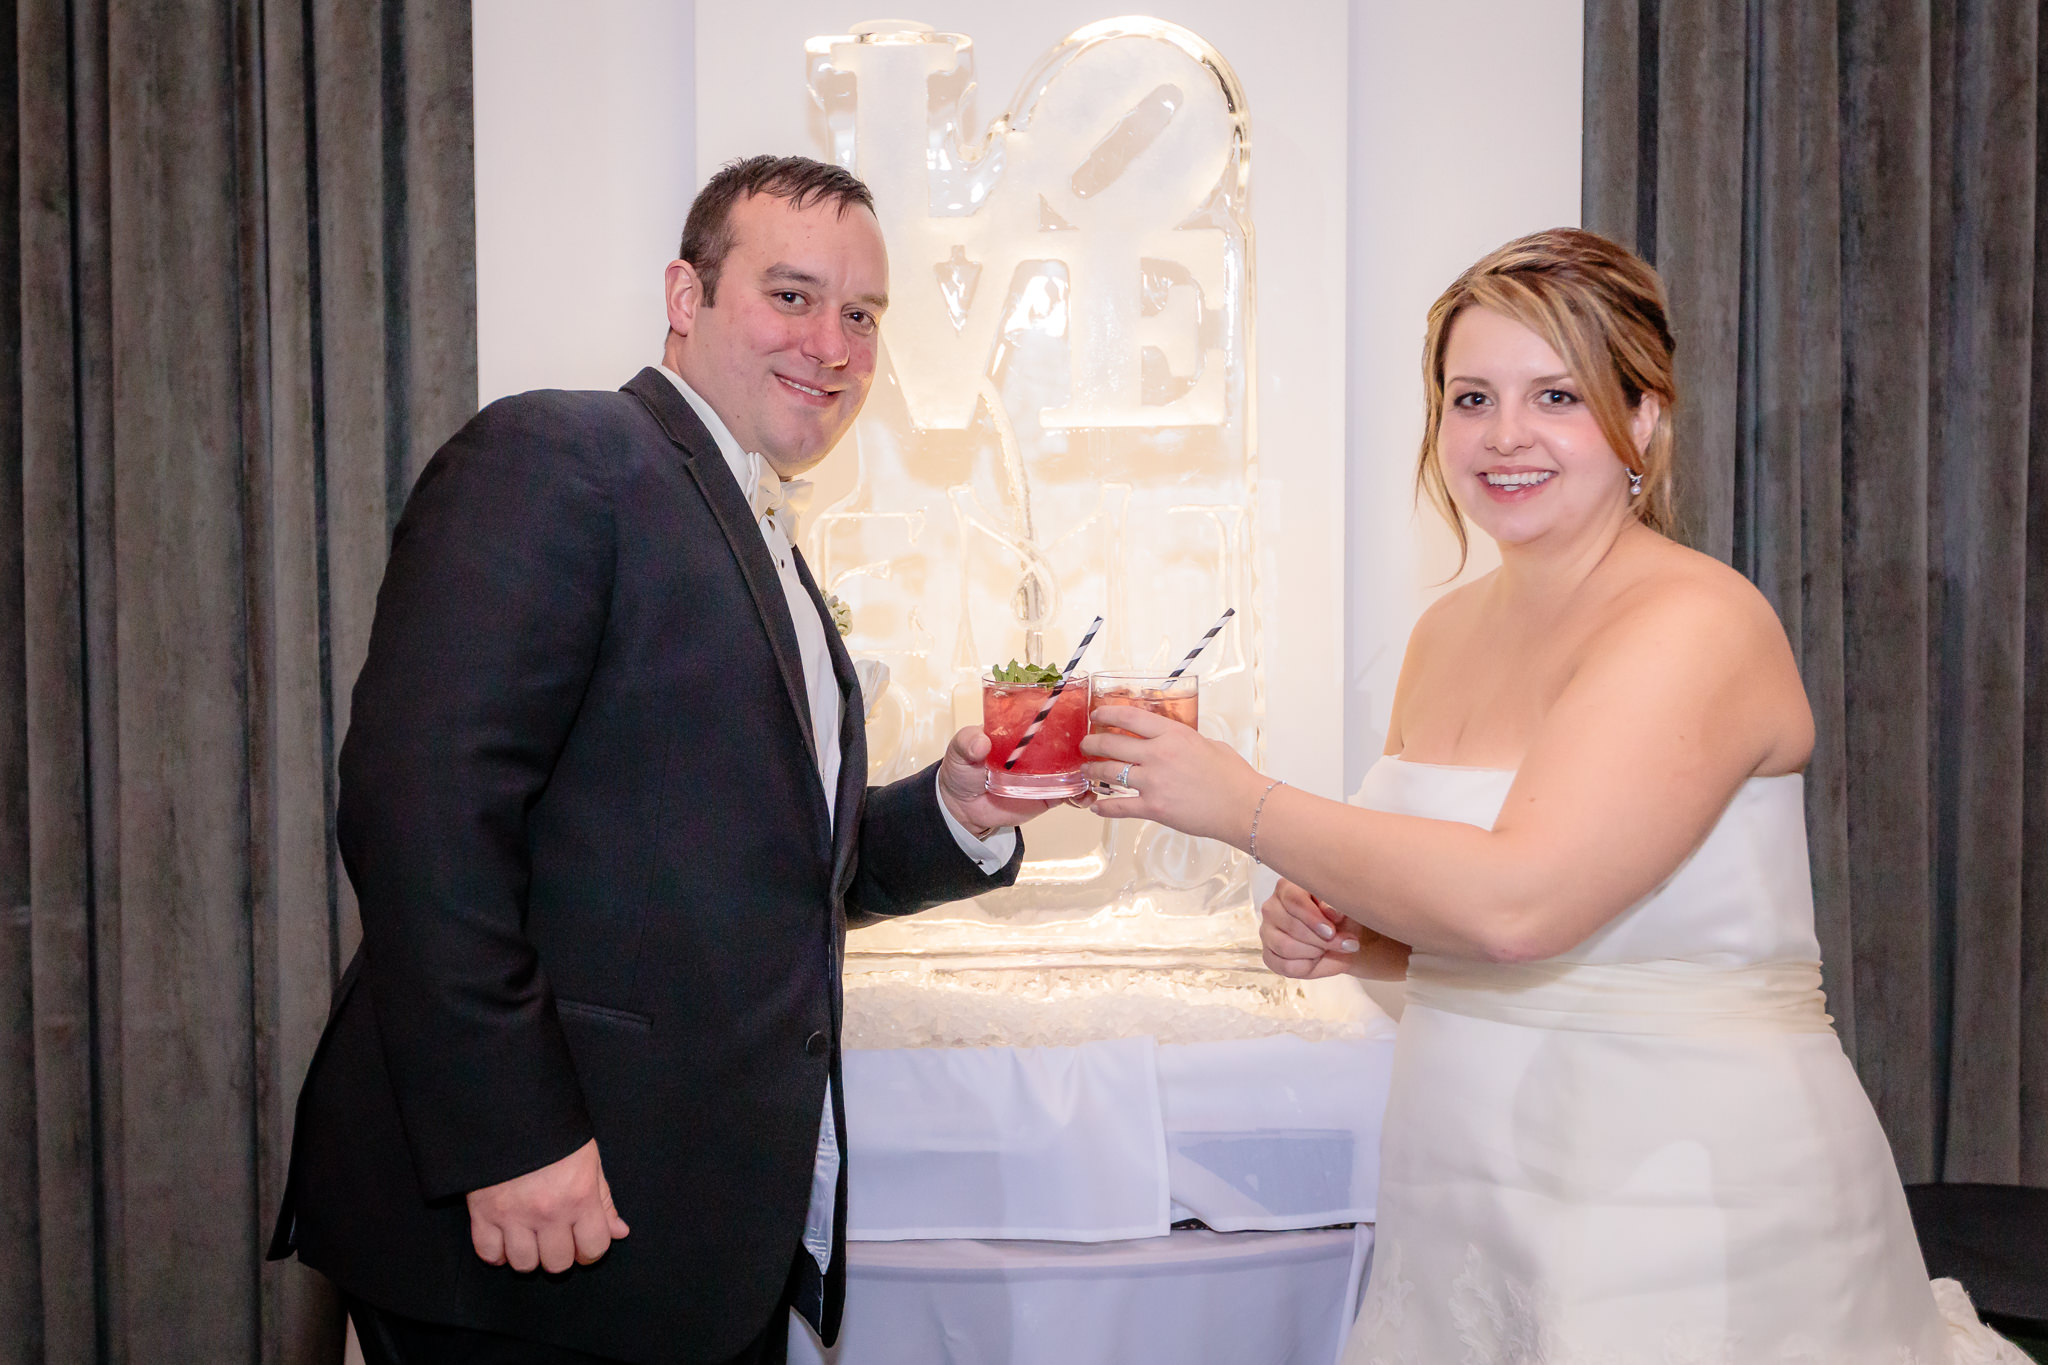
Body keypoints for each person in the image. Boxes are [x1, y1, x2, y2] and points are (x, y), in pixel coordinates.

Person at [1080, 228, 2027, 1361]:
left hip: (1680, 1205)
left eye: (1555, 397)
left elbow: (1519, 907)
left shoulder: (1694, 622)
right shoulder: (1442, 633)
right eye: (1469, 397)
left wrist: (1243, 804)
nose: (1504, 435)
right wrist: (1360, 940)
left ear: (1641, 419)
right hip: (1468, 1200)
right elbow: (1480, 936)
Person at [269, 156, 1057, 1365]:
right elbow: (420, 808)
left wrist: (956, 812)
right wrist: (508, 1136)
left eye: (861, 316)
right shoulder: (563, 454)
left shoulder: (760, 531)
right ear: (685, 297)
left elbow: (770, 878)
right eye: (789, 297)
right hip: (533, 1223)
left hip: (683, 1247)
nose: (832, 344)